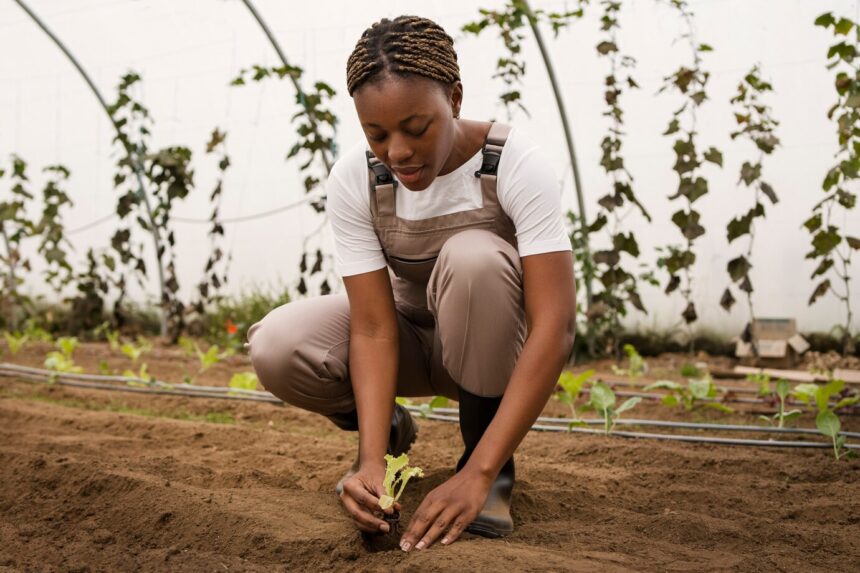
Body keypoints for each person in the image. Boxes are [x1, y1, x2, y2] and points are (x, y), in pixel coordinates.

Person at [247, 15, 576, 552]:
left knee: (476, 260)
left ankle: (486, 470)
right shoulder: (358, 177)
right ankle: (389, 431)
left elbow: (555, 326)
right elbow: (375, 328)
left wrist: (478, 473)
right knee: (278, 345)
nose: (397, 152)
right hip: (408, 342)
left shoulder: (513, 164)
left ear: (456, 97)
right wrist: (370, 462)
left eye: (416, 128)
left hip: (490, 352)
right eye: (376, 134)